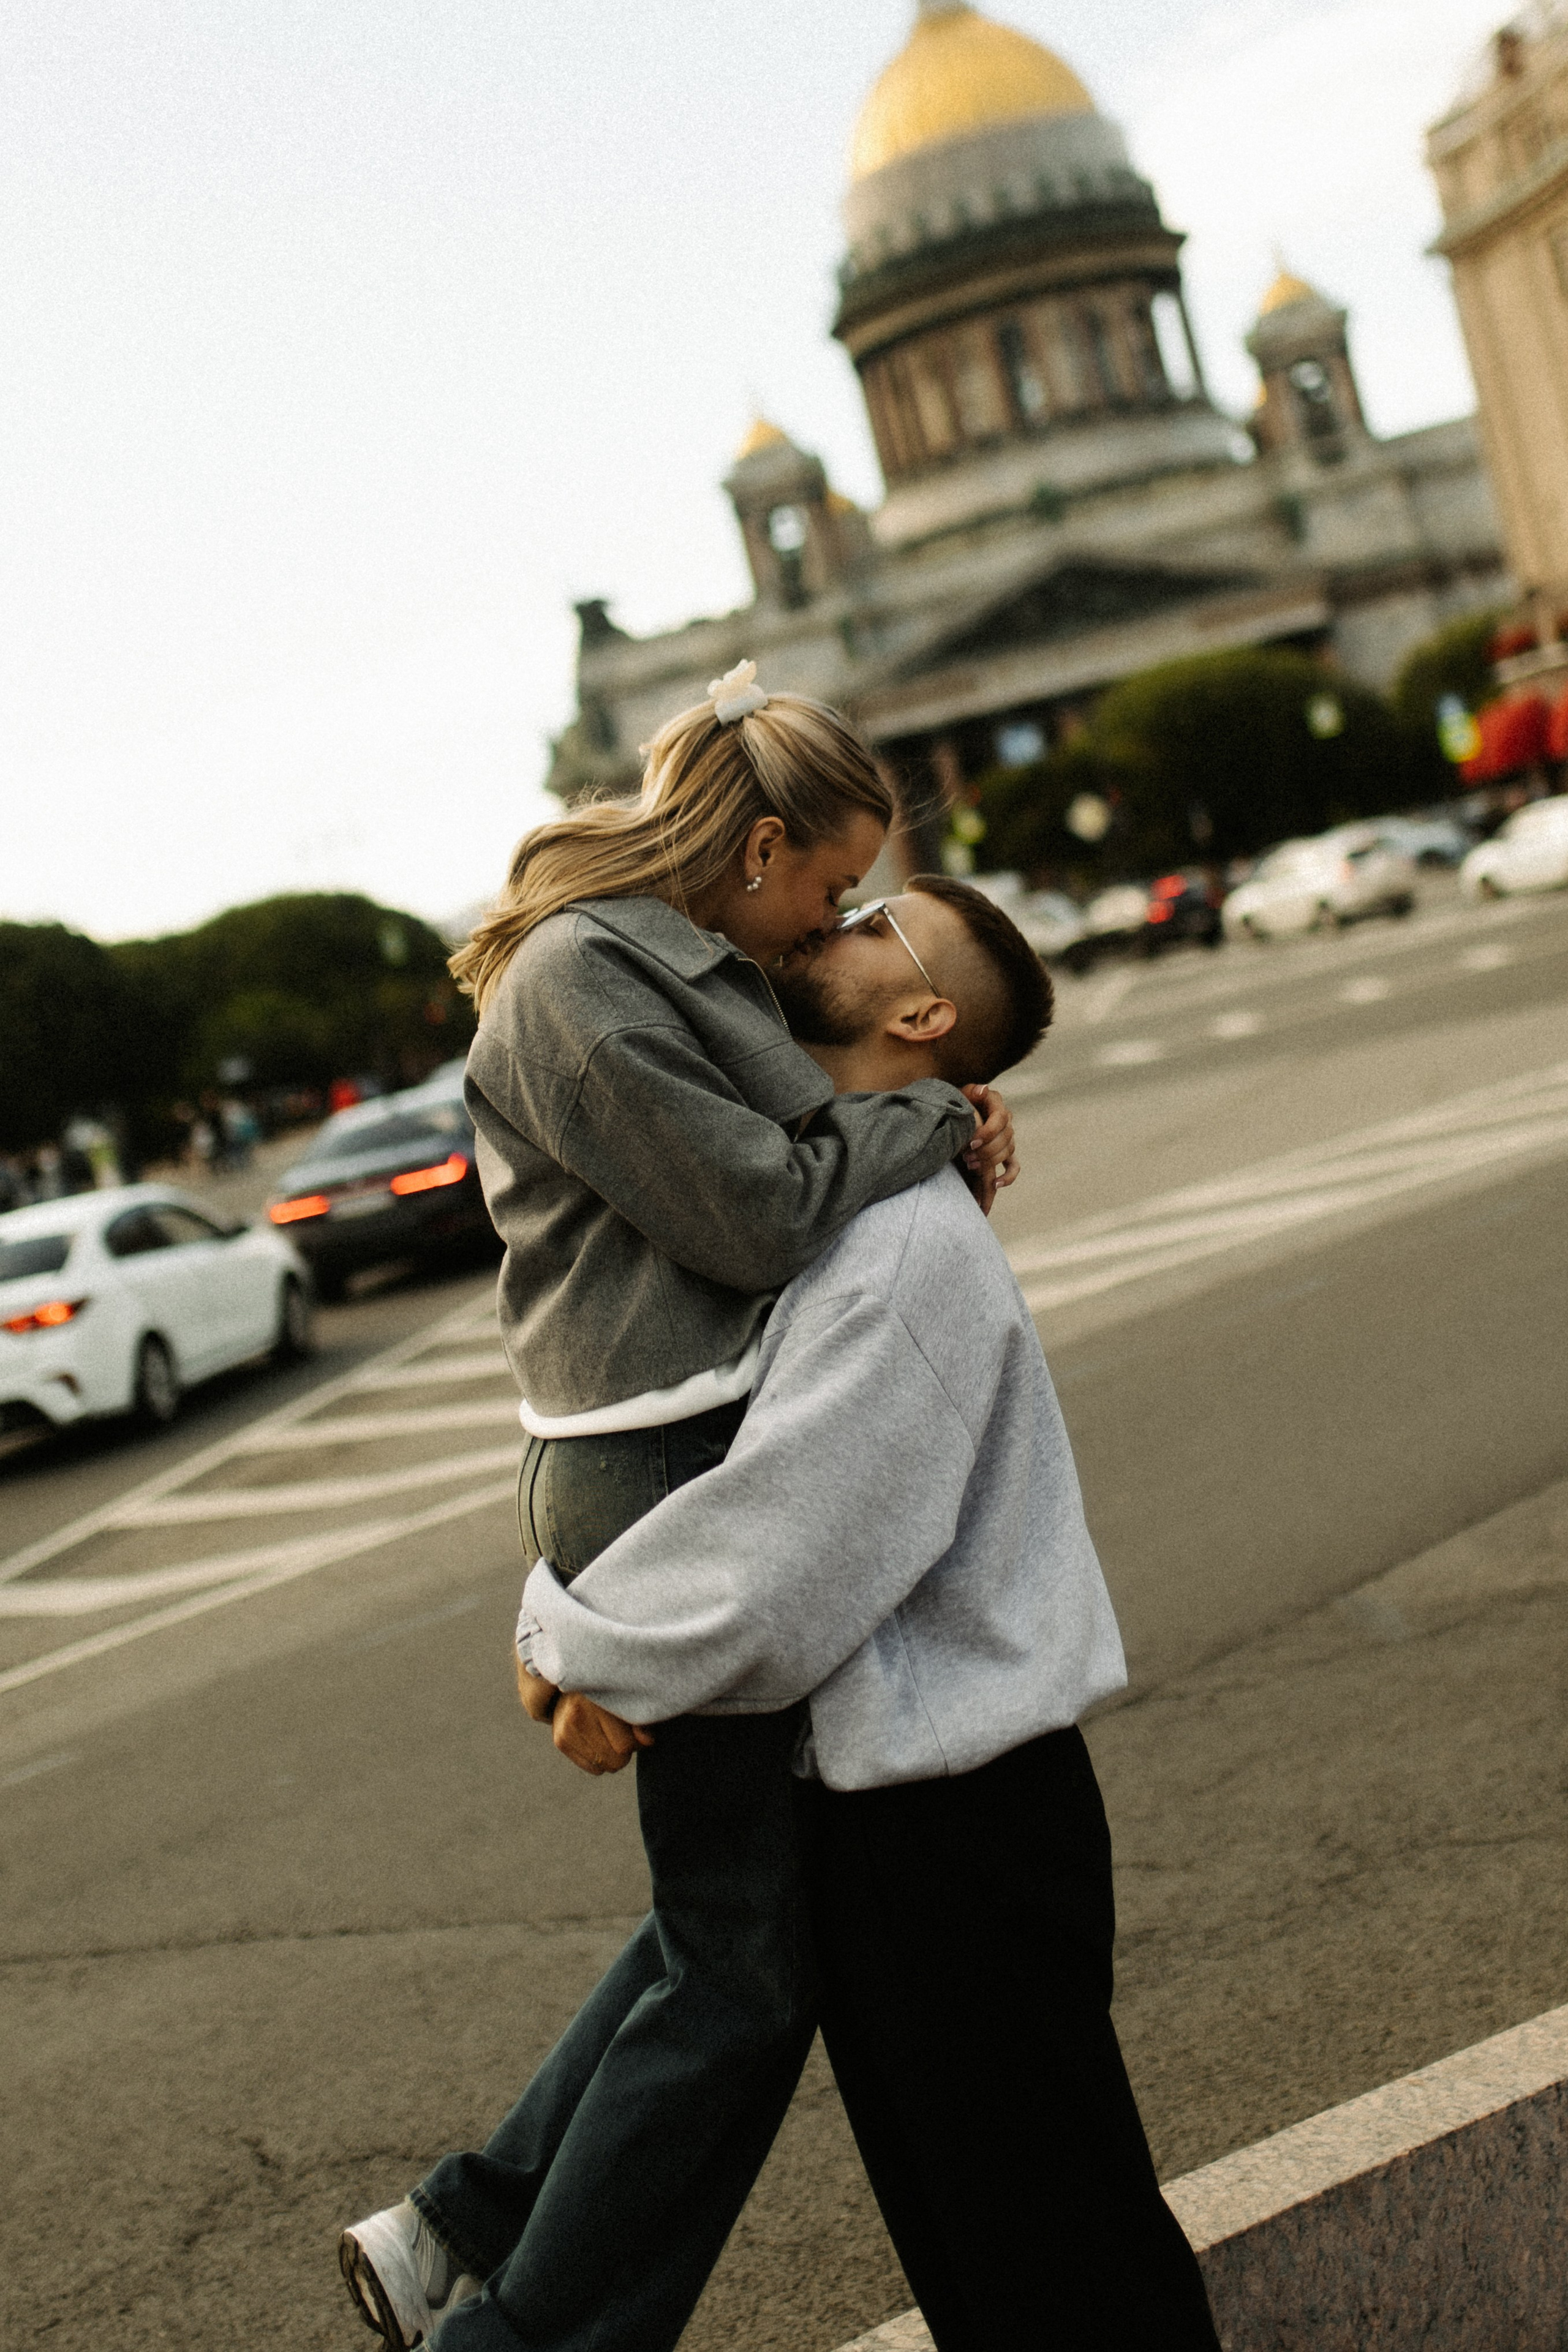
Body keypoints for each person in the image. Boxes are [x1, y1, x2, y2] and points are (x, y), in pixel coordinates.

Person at [339, 664, 1018, 2351]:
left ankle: (458, 2226)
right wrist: (927, 1118)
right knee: (741, 1970)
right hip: (653, 1458)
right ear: (765, 841)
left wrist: (923, 1108)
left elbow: (811, 1127)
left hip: (684, 1445)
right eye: (835, 881)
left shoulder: (697, 961)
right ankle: (516, 2325)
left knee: (726, 1929)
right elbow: (753, 1214)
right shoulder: (584, 975)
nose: (835, 916)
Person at [514, 877, 1223, 2352]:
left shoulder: (901, 1250)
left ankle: (473, 2243)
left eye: (871, 914)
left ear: (919, 1014)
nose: (823, 919)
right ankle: (467, 2224)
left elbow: (791, 1543)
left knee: (1055, 2259)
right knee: (997, 2254)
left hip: (952, 1831)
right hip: (912, 1818)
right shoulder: (835, 1202)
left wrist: (570, 1643)